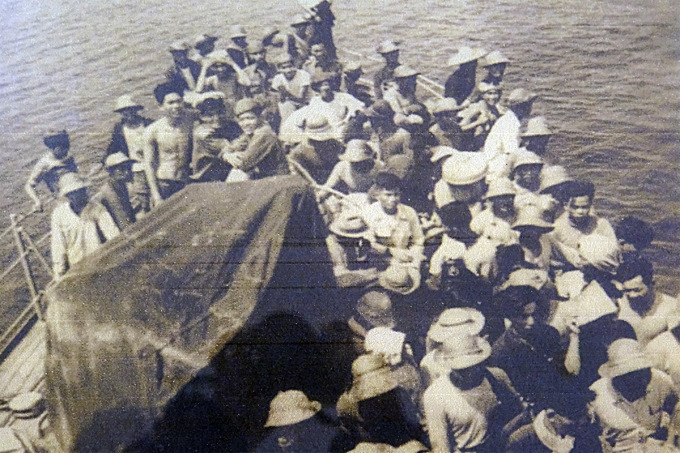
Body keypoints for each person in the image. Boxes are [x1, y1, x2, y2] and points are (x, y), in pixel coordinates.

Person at [423, 333, 523, 453]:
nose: (470, 372)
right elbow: (441, 447)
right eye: (462, 370)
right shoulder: (436, 395)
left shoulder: (496, 377)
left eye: (475, 366)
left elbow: (518, 410)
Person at [489, 284, 582, 412]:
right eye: (524, 316)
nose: (531, 321)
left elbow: (569, 371)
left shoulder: (549, 333)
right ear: (510, 317)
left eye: (534, 314)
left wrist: (574, 336)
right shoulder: (501, 352)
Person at [589, 338, 680, 452]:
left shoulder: (662, 382)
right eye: (631, 373)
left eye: (643, 370)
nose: (641, 378)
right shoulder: (597, 395)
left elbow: (676, 409)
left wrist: (669, 442)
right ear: (617, 375)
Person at [51, 173, 120, 278]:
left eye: (81, 190)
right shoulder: (59, 215)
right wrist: (59, 273)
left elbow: (112, 234)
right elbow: (58, 247)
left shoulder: (97, 208)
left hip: (100, 261)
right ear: (68, 196)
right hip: (76, 268)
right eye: (74, 192)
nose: (80, 194)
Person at [143, 84, 193, 206]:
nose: (176, 106)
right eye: (170, 103)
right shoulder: (152, 131)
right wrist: (156, 196)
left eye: (179, 101)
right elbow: (149, 165)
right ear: (161, 107)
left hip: (186, 180)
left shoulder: (191, 120)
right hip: (164, 184)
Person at [363, 172, 425, 271]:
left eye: (396, 194)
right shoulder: (369, 213)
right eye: (388, 195)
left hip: (407, 260)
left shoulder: (409, 212)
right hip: (381, 262)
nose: (392, 199)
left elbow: (418, 240)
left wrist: (413, 256)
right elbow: (368, 244)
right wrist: (391, 252)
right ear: (378, 194)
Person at [551, 180, 616, 270]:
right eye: (575, 207)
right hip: (570, 272)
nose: (580, 211)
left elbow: (614, 251)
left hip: (600, 270)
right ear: (566, 206)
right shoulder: (556, 229)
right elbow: (551, 259)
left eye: (585, 207)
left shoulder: (601, 224)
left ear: (590, 205)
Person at [614, 258, 680, 346]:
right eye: (627, 291)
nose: (632, 295)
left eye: (637, 290)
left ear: (652, 283)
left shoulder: (670, 307)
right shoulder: (618, 304)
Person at [254, 390, 347, 452]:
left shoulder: (329, 437)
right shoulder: (269, 444)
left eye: (292, 425)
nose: (285, 429)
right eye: (280, 426)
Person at [105, 95, 153, 215]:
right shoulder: (120, 129)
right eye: (124, 111)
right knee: (143, 199)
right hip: (135, 168)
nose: (128, 113)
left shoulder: (148, 124)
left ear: (136, 110)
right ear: (121, 113)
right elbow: (112, 150)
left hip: (153, 163)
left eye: (131, 110)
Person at [221, 98, 287, 182]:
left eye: (250, 118)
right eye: (241, 120)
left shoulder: (264, 133)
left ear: (260, 118)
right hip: (264, 178)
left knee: (238, 173)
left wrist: (231, 155)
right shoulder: (250, 133)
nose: (246, 123)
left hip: (277, 180)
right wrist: (227, 155)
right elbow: (231, 147)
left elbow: (244, 163)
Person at [483, 88, 538, 178]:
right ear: (520, 107)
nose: (530, 108)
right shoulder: (511, 124)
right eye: (528, 105)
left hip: (498, 159)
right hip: (496, 165)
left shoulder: (511, 119)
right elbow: (512, 152)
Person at [326, 204, 381, 289]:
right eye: (353, 237)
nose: (357, 239)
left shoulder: (360, 242)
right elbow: (340, 278)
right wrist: (371, 275)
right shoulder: (330, 246)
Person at [25, 129, 78, 212]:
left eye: (67, 146)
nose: (66, 150)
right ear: (51, 148)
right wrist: (37, 201)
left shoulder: (69, 157)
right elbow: (29, 186)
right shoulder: (44, 164)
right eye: (62, 148)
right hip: (64, 203)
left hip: (79, 196)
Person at [191, 96, 239, 182]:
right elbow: (221, 145)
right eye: (210, 115)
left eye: (220, 113)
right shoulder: (203, 132)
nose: (216, 118)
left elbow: (243, 140)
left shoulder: (231, 125)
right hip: (205, 176)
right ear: (202, 116)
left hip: (223, 174)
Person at [470, 178, 519, 245]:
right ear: (491, 200)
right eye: (500, 198)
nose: (505, 202)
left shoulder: (519, 216)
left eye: (508, 197)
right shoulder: (481, 220)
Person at [94, 153, 136, 231]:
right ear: (110, 171)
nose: (127, 172)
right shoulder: (107, 192)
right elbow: (122, 220)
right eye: (122, 169)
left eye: (128, 168)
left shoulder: (123, 186)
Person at [458, 82, 504, 151]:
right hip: (471, 148)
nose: (493, 97)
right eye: (489, 93)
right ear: (483, 95)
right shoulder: (476, 108)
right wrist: (478, 122)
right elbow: (459, 129)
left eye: (496, 93)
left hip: (486, 146)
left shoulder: (494, 109)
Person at [383, 65, 430, 130]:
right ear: (400, 81)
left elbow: (414, 104)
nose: (414, 82)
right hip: (399, 123)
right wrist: (409, 109)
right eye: (411, 80)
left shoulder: (408, 92)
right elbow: (396, 114)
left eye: (414, 79)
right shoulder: (391, 94)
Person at [512, 205, 555, 272]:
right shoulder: (514, 246)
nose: (534, 232)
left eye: (537, 228)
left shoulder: (546, 240)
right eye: (529, 228)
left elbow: (569, 253)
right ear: (522, 228)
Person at [271, 54, 311, 123]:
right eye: (284, 68)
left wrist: (286, 93)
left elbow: (302, 98)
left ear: (295, 65)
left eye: (290, 66)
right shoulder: (278, 78)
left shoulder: (303, 75)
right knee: (284, 106)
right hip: (290, 104)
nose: (288, 70)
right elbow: (279, 99)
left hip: (306, 103)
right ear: (279, 69)